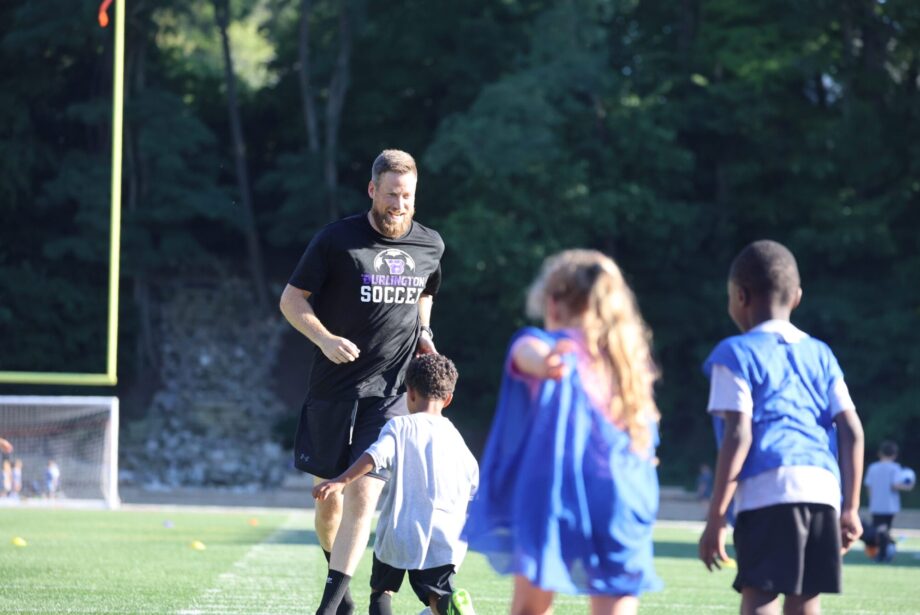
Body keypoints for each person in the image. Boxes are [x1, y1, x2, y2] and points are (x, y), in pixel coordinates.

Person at [279, 149, 444, 615]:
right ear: (373, 190)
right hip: (334, 388)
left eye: (407, 195)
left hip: (390, 394)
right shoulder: (336, 240)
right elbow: (292, 301)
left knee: (364, 492)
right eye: (391, 194)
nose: (399, 203)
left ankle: (334, 605)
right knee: (328, 500)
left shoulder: (430, 244)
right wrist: (325, 338)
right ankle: (343, 581)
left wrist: (424, 335)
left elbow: (425, 293)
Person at [463, 249, 662, 615]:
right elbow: (646, 427)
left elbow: (529, 353)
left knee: (530, 607)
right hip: (621, 491)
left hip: (554, 494)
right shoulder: (628, 360)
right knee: (615, 603)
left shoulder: (546, 344)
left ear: (553, 303)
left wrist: (546, 363)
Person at [698, 239, 865, 615]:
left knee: (760, 592)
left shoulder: (734, 353)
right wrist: (851, 507)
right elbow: (852, 429)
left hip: (768, 487)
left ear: (739, 296)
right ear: (797, 297)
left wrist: (716, 517)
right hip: (822, 487)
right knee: (806, 596)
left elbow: (738, 434)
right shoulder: (821, 353)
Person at [313, 354, 478, 615]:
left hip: (400, 531)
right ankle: (451, 604)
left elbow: (374, 456)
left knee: (382, 592)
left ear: (409, 393)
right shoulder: (456, 437)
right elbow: (474, 483)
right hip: (446, 536)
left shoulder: (399, 425)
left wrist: (339, 481)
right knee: (436, 596)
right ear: (448, 399)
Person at [863, 440, 913, 562]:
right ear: (894, 455)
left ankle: (881, 553)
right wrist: (908, 486)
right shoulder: (895, 468)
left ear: (880, 453)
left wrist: (872, 500)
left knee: (879, 529)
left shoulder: (872, 467)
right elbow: (895, 485)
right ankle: (884, 553)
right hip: (890, 505)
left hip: (876, 504)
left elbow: (869, 486)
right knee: (884, 530)